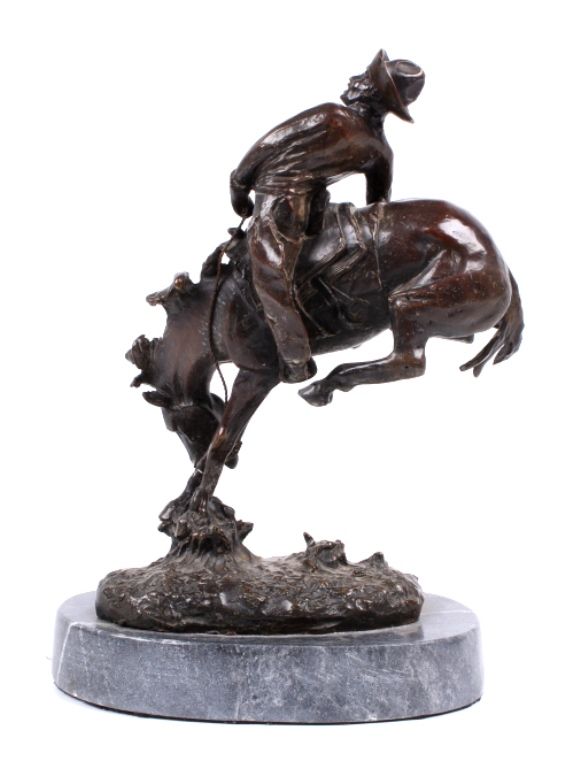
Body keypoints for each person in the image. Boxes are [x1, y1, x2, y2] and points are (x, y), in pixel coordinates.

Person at [229, 50, 425, 382]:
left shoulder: (331, 116)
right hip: (316, 213)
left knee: (270, 278)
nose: (355, 79)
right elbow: (379, 206)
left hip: (278, 209)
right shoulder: (380, 151)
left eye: (364, 77)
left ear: (371, 92)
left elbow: (269, 144)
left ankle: (296, 359)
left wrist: (238, 184)